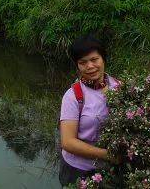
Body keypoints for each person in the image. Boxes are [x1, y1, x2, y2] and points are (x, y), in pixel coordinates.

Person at [58, 35, 120, 187]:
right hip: (79, 171)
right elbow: (68, 142)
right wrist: (108, 155)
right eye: (83, 62)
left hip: (111, 168)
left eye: (94, 59)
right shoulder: (73, 96)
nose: (90, 66)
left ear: (103, 58)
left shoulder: (118, 86)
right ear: (77, 65)